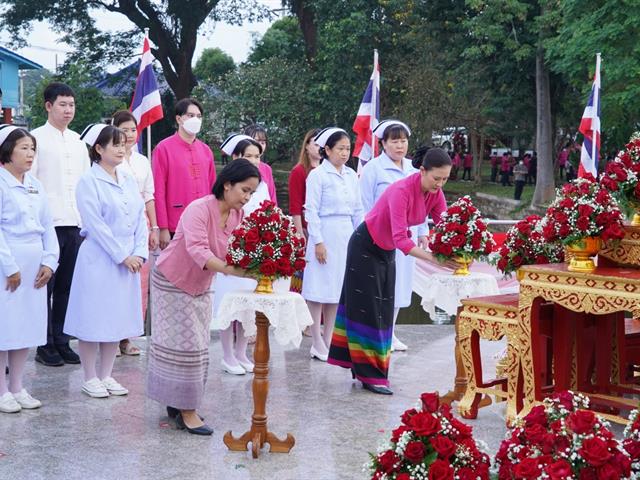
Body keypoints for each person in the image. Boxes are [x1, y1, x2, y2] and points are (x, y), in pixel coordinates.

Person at [328, 147, 456, 395]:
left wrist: (457, 248)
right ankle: (370, 375)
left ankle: (370, 371)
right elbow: (401, 239)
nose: (440, 184)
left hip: (385, 251)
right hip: (365, 246)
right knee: (368, 311)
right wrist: (434, 259)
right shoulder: (401, 190)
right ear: (421, 171)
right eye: (436, 178)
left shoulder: (435, 193)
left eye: (445, 179)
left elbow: (447, 225)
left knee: (385, 310)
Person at [147, 159, 258, 436]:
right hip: (172, 281)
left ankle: (180, 403)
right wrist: (238, 272)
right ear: (227, 184)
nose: (247, 198)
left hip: (201, 283)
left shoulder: (237, 216)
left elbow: (234, 250)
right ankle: (186, 411)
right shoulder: (198, 209)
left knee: (197, 344)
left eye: (251, 193)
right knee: (184, 345)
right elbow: (198, 251)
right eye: (244, 190)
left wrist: (259, 264)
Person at [63, 124, 148, 399]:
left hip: (129, 259)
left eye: (123, 144)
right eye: (115, 144)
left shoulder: (127, 178)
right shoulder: (88, 181)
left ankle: (107, 374)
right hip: (100, 258)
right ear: (98, 149)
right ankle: (90, 376)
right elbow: (95, 225)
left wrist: (139, 252)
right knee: (93, 316)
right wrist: (122, 255)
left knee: (116, 318)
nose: (122, 149)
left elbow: (139, 220)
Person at [0, 126, 59, 413]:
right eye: (23, 148)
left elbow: (48, 225)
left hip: (34, 264)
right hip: (7, 263)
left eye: (32, 148)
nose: (30, 154)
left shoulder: (35, 184)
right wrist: (9, 267)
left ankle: (18, 386)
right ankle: (1, 390)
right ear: (7, 150)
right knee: (5, 327)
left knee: (25, 328)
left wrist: (49, 261)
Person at [31, 82, 90, 367]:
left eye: (71, 105)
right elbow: (29, 182)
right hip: (48, 224)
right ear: (49, 106)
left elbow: (85, 185)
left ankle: (61, 339)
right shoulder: (35, 138)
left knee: (68, 286)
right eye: (63, 104)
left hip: (74, 222)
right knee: (47, 286)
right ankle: (44, 344)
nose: (68, 110)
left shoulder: (79, 141)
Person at [360, 120, 428, 353]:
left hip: (406, 239)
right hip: (381, 237)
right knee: (381, 285)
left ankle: (391, 330)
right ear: (383, 144)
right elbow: (364, 206)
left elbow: (423, 202)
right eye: (395, 141)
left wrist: (423, 232)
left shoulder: (413, 169)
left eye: (403, 141)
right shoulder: (373, 169)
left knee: (401, 285)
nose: (400, 146)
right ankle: (377, 332)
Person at [211, 134, 271, 375]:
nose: (255, 160)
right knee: (230, 303)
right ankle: (227, 354)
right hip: (231, 248)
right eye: (248, 156)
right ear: (235, 157)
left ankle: (240, 351)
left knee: (247, 306)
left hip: (253, 249)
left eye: (257, 156)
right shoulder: (227, 187)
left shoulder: (263, 185)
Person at [302, 128, 363, 362]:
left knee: (337, 290)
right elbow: (311, 210)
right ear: (327, 150)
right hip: (324, 232)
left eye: (348, 148)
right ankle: (315, 339)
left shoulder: (350, 175)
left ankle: (329, 339)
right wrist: (317, 241)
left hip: (345, 233)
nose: (345, 153)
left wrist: (361, 236)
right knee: (318, 289)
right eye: (340, 149)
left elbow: (358, 209)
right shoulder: (318, 175)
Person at [112, 110, 159, 356]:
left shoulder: (142, 161)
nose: (129, 135)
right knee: (117, 280)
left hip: (140, 224)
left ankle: (129, 336)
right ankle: (112, 335)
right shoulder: (112, 160)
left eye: (133, 130)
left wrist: (154, 226)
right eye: (124, 130)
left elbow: (149, 195)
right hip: (118, 224)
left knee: (140, 283)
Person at [152, 98, 216, 250]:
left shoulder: (206, 150)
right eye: (190, 115)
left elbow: (214, 189)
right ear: (179, 119)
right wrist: (163, 227)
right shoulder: (163, 148)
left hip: (203, 222)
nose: (195, 119)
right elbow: (158, 190)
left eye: (199, 116)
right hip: (175, 223)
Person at [288, 128, 321, 294]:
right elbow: (295, 206)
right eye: (315, 144)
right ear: (307, 146)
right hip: (306, 229)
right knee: (303, 276)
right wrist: (300, 233)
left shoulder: (326, 171)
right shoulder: (299, 171)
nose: (319, 148)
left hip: (324, 229)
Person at [244, 124, 277, 206]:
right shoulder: (237, 167)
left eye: (263, 142)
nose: (259, 145)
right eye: (255, 141)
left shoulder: (266, 169)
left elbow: (272, 197)